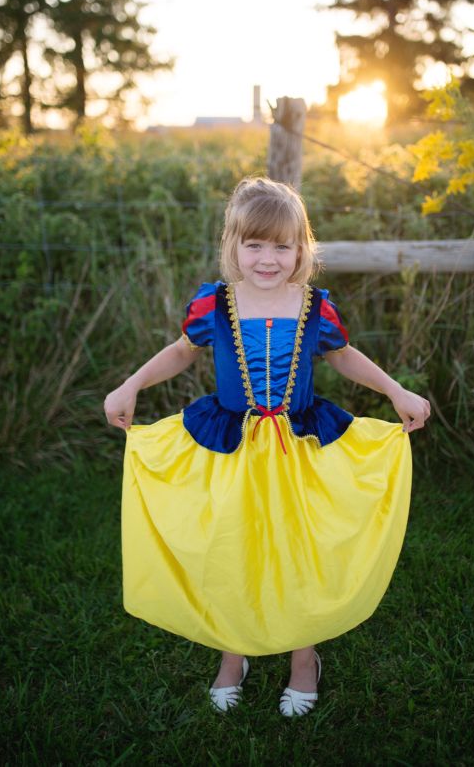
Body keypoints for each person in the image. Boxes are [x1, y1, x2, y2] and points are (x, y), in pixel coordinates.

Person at [104, 176, 431, 717]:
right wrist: (131, 385)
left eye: (282, 245)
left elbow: (345, 357)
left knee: (296, 551)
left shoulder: (313, 306)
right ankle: (236, 653)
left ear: (302, 249)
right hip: (231, 450)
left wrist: (396, 391)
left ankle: (305, 658)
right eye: (254, 244)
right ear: (231, 245)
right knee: (233, 551)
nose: (268, 258)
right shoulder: (215, 304)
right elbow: (182, 352)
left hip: (296, 449)